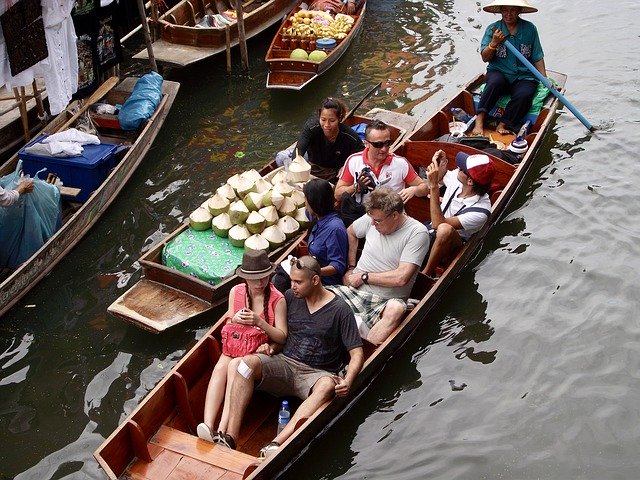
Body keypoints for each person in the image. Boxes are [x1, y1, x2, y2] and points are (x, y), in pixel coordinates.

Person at [219, 256, 363, 457]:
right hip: (285, 363)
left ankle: (276, 443)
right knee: (245, 364)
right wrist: (270, 346)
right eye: (292, 281)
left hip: (317, 373)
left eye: (298, 282)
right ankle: (230, 437)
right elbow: (281, 333)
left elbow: (356, 352)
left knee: (327, 385)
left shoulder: (340, 310)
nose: (292, 286)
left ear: (315, 280)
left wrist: (348, 380)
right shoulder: (290, 297)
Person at [196, 250, 288, 445]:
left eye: (263, 277)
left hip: (258, 352)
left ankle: (222, 428)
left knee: (233, 367)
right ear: (245, 277)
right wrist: (234, 318)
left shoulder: (277, 299)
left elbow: (282, 336)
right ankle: (207, 425)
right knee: (221, 366)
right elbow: (229, 321)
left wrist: (260, 323)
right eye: (254, 278)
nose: (259, 283)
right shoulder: (235, 292)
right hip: (237, 346)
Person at [329, 188, 430, 344]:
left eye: (378, 221)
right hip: (353, 291)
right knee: (315, 292)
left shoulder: (417, 232)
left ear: (395, 215)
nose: (373, 224)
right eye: (371, 219)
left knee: (396, 309)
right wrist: (350, 267)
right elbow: (351, 232)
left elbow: (401, 278)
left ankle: (364, 352)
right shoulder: (373, 218)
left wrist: (364, 277)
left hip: (383, 302)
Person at [471, 0, 547, 136]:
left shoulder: (530, 29)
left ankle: (503, 124)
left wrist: (545, 79)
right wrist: (494, 43)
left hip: (524, 76)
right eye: (505, 10)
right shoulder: (493, 29)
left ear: (519, 11)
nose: (508, 14)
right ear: (500, 11)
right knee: (494, 83)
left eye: (512, 10)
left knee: (525, 95)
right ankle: (479, 120)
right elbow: (485, 57)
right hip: (499, 71)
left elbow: (537, 56)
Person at [422, 150, 496, 278]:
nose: (457, 168)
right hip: (431, 229)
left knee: (445, 230)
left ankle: (426, 274)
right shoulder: (459, 179)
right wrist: (441, 163)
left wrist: (433, 186)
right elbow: (442, 175)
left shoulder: (481, 212)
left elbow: (438, 224)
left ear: (470, 182)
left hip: (450, 245)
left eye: (462, 169)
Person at [272, 178, 348, 292]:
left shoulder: (335, 229)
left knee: (280, 283)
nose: (305, 202)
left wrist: (312, 272)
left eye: (306, 199)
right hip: (308, 271)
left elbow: (338, 265)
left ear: (314, 202)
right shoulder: (316, 216)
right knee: (278, 276)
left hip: (324, 281)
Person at [334, 120, 428, 204]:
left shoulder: (401, 164)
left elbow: (424, 188)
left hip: (393, 216)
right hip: (362, 213)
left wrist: (414, 189)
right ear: (367, 144)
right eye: (378, 144)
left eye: (387, 143)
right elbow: (337, 195)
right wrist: (356, 187)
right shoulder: (353, 161)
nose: (384, 149)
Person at [286, 97, 364, 181]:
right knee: (281, 158)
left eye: (332, 120)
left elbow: (363, 154)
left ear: (339, 119)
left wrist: (346, 166)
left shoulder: (349, 135)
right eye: (323, 120)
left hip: (335, 172)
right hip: (312, 166)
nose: (327, 125)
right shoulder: (311, 128)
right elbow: (297, 153)